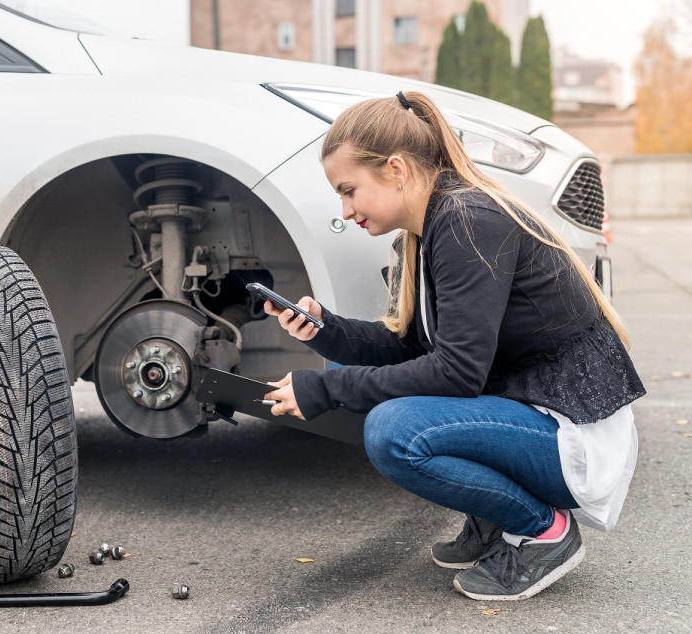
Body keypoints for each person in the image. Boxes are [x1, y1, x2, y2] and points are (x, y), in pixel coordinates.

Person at [261, 90, 645, 601]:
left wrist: (329, 389)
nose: (346, 208)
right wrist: (326, 328)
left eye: (349, 189)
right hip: (534, 418)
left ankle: (542, 532)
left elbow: (457, 373)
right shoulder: (434, 226)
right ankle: (492, 521)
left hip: (573, 436)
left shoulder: (467, 222)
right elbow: (413, 351)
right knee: (377, 395)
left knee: (392, 430)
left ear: (396, 169)